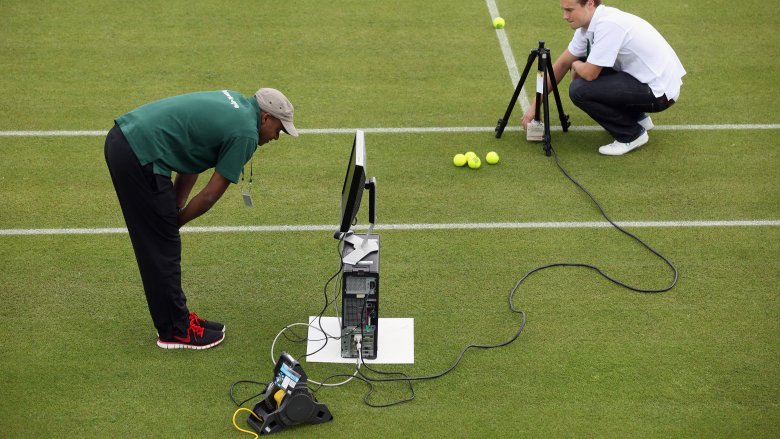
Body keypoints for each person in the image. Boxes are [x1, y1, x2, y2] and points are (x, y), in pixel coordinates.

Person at [104, 88, 298, 349]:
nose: (277, 136)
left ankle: (178, 319)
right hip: (139, 154)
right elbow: (209, 196)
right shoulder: (246, 134)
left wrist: (174, 206)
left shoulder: (235, 103)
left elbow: (191, 159)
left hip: (125, 139)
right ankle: (177, 330)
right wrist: (175, 223)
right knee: (162, 247)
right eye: (279, 128)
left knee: (163, 241)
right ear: (265, 118)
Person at [522, 0, 685, 156]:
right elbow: (562, 64)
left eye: (570, 10)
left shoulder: (608, 25)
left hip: (660, 94)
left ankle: (631, 134)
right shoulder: (588, 26)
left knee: (579, 90)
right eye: (563, 10)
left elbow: (589, 73)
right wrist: (534, 109)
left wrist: (577, 65)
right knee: (587, 66)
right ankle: (638, 117)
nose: (565, 16)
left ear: (590, 3)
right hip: (648, 82)